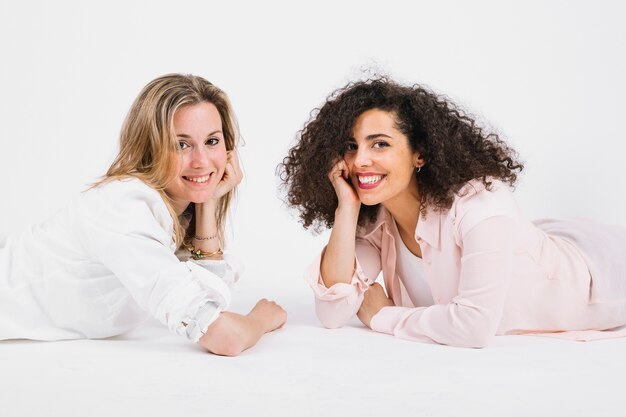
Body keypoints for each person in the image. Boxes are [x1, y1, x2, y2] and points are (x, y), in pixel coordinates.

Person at [280, 76, 626, 348]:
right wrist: (347, 208)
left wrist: (383, 316)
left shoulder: (481, 204)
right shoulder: (375, 221)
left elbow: (473, 328)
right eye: (351, 147)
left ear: (420, 154)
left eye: (380, 143)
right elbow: (331, 313)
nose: (360, 160)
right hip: (543, 240)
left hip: (601, 274)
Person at [0, 73, 286, 356]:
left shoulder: (169, 211)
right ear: (150, 149)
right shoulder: (124, 209)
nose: (201, 161)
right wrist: (260, 319)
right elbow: (223, 336)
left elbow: (208, 302)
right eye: (181, 144)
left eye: (212, 141)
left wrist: (207, 203)